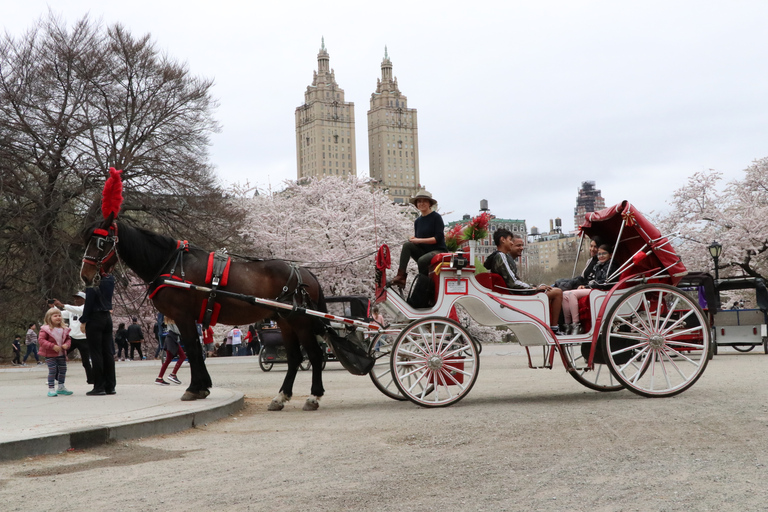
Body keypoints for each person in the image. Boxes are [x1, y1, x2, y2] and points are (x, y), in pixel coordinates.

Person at [484, 229, 563, 333]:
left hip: (513, 293)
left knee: (551, 290)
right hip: (516, 296)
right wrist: (535, 289)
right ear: (502, 240)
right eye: (509, 240)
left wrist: (534, 287)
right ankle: (554, 328)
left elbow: (513, 280)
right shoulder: (501, 256)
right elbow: (513, 282)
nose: (512, 242)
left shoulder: (499, 256)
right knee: (557, 292)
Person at [390, 189, 447, 289]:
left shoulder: (436, 217)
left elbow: (437, 239)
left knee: (422, 260)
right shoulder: (417, 221)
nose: (422, 203)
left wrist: (418, 240)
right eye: (419, 201)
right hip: (424, 251)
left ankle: (424, 286)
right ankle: (401, 276)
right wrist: (414, 240)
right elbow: (419, 242)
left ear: (429, 203)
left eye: (424, 201)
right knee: (407, 245)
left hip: (438, 250)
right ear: (416, 204)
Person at [562, 243, 617, 334]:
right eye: (599, 254)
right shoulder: (599, 265)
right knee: (564, 294)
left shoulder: (611, 265)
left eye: (604, 253)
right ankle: (568, 325)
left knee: (572, 294)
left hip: (602, 290)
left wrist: (587, 286)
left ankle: (576, 324)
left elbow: (604, 282)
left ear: (610, 255)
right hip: (595, 288)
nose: (601, 256)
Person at [80, 273, 116, 396]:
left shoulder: (93, 280)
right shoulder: (110, 278)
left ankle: (99, 386)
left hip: (95, 318)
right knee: (107, 352)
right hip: (107, 316)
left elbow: (89, 302)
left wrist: (83, 320)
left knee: (96, 353)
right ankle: (110, 386)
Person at [54, 292, 92, 385]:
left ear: (84, 300)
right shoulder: (71, 310)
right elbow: (60, 314)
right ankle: (55, 376)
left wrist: (62, 305)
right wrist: (53, 307)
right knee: (61, 355)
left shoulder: (86, 308)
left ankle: (91, 379)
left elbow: (78, 310)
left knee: (85, 361)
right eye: (75, 298)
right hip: (72, 338)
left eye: (79, 298)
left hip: (84, 339)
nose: (76, 300)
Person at [38, 307, 73, 397]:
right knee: (52, 370)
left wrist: (66, 345)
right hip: (50, 354)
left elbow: (68, 339)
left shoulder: (64, 329)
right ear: (49, 318)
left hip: (61, 354)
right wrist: (52, 346)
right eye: (55, 316)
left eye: (59, 315)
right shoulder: (45, 329)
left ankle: (61, 387)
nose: (58, 317)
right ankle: (51, 388)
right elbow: (41, 340)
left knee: (63, 370)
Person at [154, 319, 186, 386]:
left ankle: (160, 378)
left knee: (168, 360)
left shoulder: (168, 318)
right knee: (182, 356)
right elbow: (177, 330)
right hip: (172, 338)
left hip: (170, 338)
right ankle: (173, 374)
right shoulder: (173, 318)